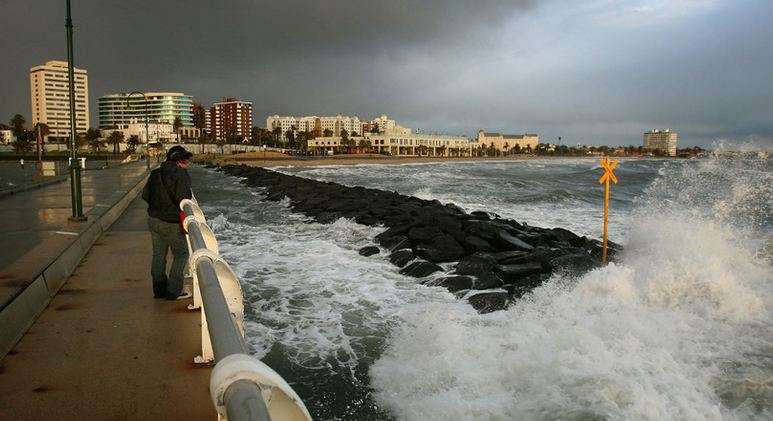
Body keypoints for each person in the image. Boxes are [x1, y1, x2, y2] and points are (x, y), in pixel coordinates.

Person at [141, 145, 194, 300]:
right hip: (171, 222)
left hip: (154, 220)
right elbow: (184, 199)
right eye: (185, 160)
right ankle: (173, 291)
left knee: (158, 255)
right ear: (179, 162)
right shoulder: (181, 175)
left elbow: (145, 195)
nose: (188, 163)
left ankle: (158, 290)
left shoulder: (156, 173)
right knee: (181, 254)